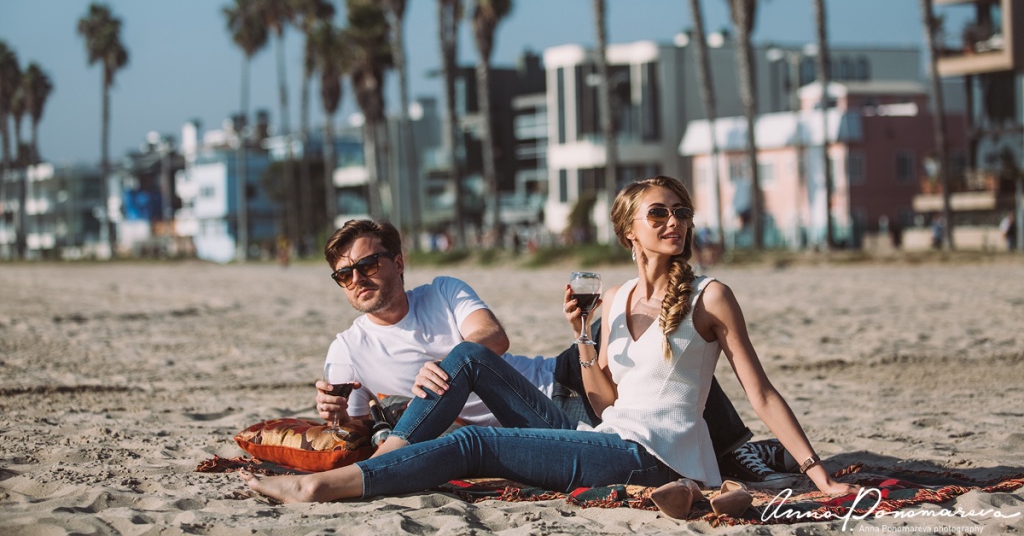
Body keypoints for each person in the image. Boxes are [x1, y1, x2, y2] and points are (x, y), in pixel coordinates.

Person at [242, 177, 856, 506]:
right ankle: (705, 478)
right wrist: (584, 337)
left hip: (644, 446)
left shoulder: (711, 296)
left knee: (474, 437)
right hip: (609, 432)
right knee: (474, 426)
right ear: (630, 231)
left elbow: (762, 391)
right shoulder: (615, 299)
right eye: (659, 213)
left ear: (397, 262)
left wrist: (819, 474)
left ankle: (327, 486)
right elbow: (606, 400)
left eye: (681, 212)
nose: (674, 222)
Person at [312, 219, 788, 485]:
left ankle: (733, 450)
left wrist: (443, 367)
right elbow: (353, 426)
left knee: (662, 331)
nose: (357, 279)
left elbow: (492, 338)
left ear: (397, 262)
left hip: (558, 380)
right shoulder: (347, 349)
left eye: (367, 264)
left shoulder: (441, 290)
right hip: (530, 425)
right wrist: (336, 414)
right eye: (344, 275)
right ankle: (748, 451)